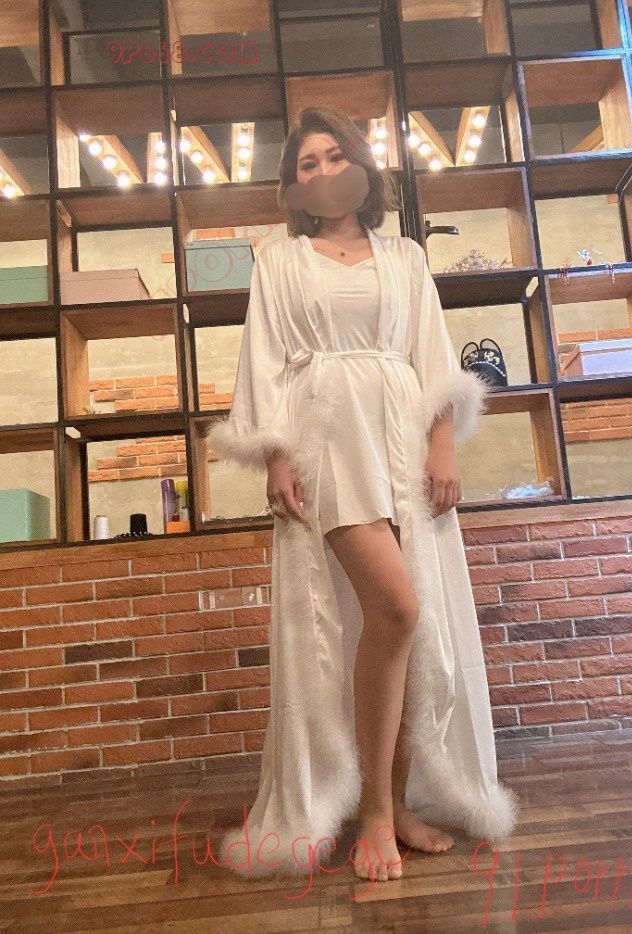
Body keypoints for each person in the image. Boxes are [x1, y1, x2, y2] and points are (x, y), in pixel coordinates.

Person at [208, 106, 520, 883]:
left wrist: (442, 445)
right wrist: (276, 455)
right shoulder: (280, 261)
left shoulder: (405, 257)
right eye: (305, 164)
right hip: (327, 444)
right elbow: (263, 361)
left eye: (333, 155)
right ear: (293, 187)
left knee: (404, 625)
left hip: (402, 441)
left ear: (361, 165)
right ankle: (376, 812)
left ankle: (398, 801)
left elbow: (433, 357)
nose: (321, 171)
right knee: (399, 609)